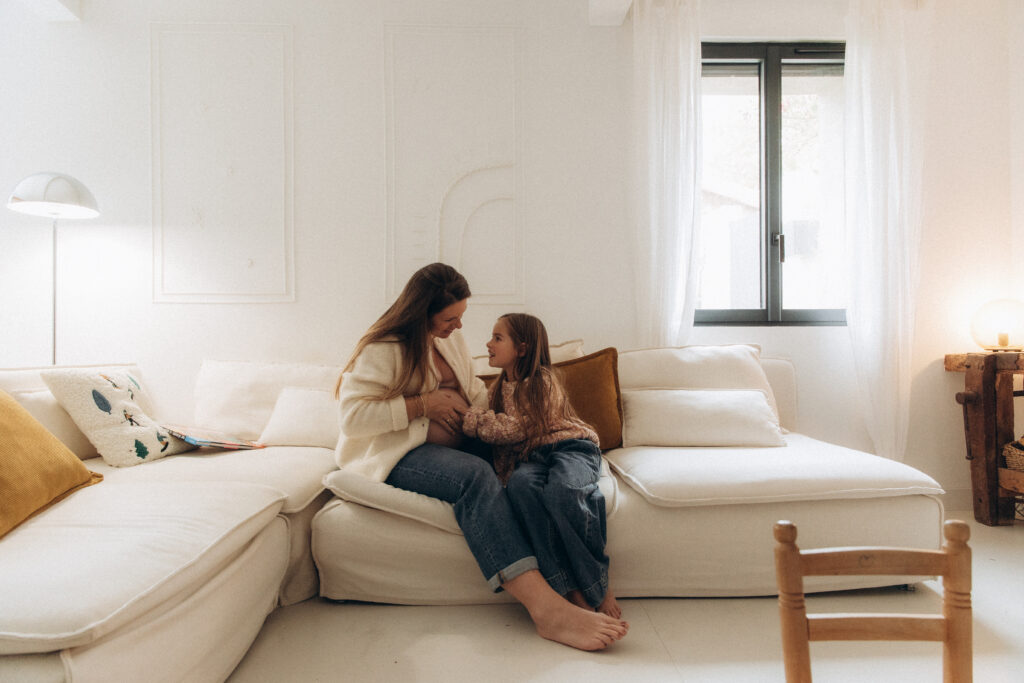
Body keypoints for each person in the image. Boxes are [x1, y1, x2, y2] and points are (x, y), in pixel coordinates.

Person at [334, 263, 628, 650]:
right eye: (449, 319)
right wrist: (424, 404)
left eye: (461, 318)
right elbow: (352, 418)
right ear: (421, 312)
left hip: (463, 437)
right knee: (475, 477)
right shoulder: (384, 349)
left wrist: (490, 424)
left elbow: (473, 389)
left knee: (528, 481)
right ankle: (546, 611)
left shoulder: (446, 339)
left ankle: (573, 587)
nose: (458, 327)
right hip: (404, 452)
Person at [460, 313, 621, 619]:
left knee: (563, 491)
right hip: (531, 459)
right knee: (521, 488)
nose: (488, 343)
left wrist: (473, 419)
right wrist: (506, 478)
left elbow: (517, 429)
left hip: (570, 447)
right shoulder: (495, 389)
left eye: (497, 338)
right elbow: (502, 445)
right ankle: (567, 588)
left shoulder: (543, 380)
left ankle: (597, 584)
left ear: (522, 348)